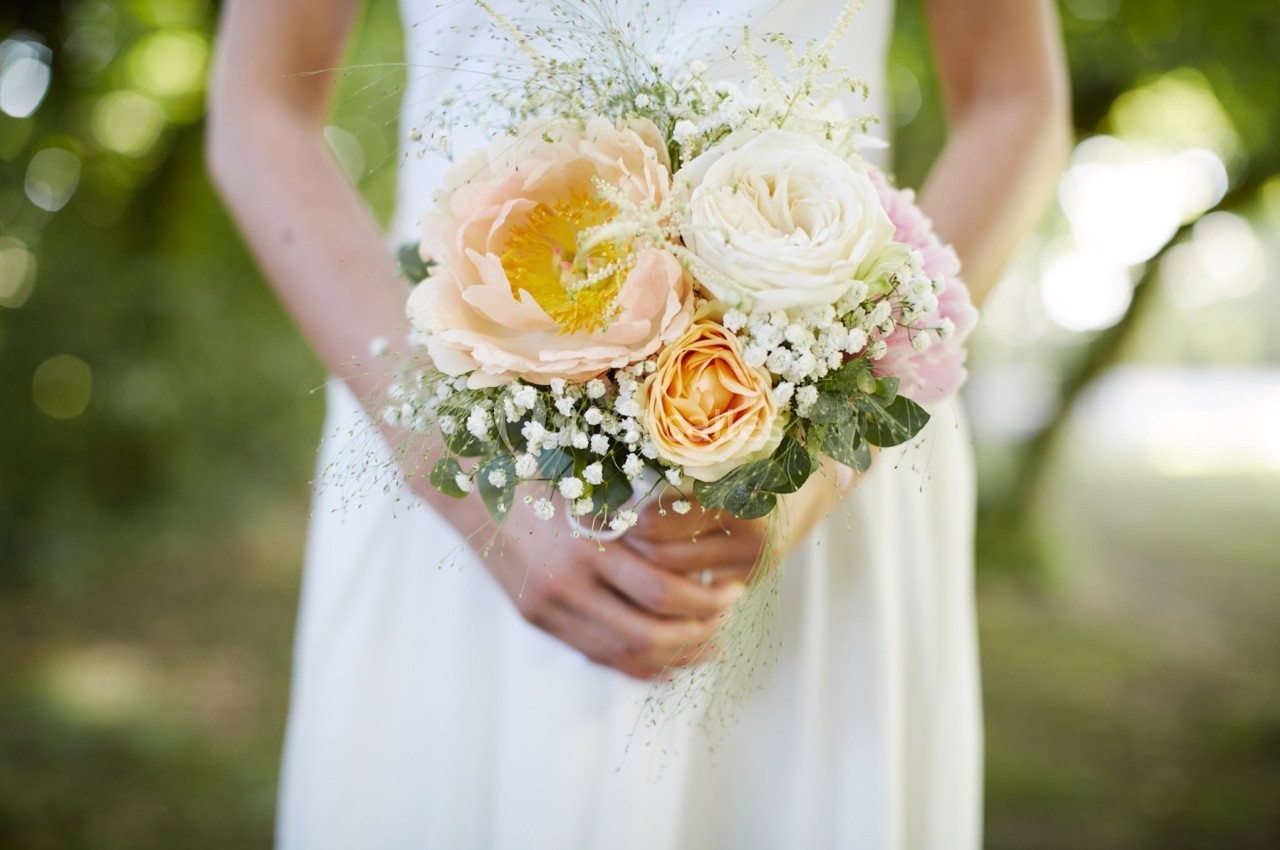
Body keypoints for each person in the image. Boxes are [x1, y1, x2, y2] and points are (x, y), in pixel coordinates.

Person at [207, 0, 1069, 847]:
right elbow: (260, 106)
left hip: (817, 427)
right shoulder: (462, 457)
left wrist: (817, 469)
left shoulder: (819, 457)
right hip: (457, 409)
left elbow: (1013, 99)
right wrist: (467, 478)